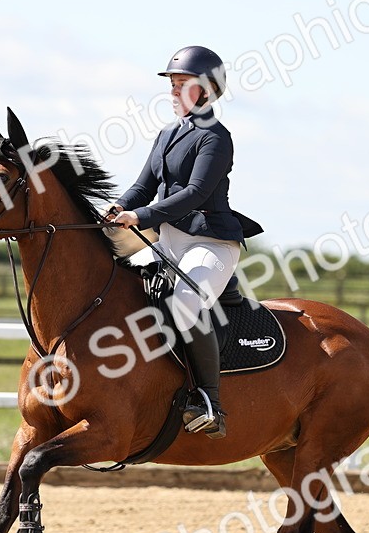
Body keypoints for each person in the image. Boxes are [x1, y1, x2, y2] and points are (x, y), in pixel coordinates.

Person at [106, 45, 262, 439]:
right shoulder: (167, 134)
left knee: (187, 301)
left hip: (209, 242)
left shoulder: (216, 138)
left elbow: (194, 193)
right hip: (170, 241)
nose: (173, 92)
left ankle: (210, 401)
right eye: (172, 85)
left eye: (181, 85)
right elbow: (144, 185)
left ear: (207, 90)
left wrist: (139, 217)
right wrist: (119, 206)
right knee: (114, 285)